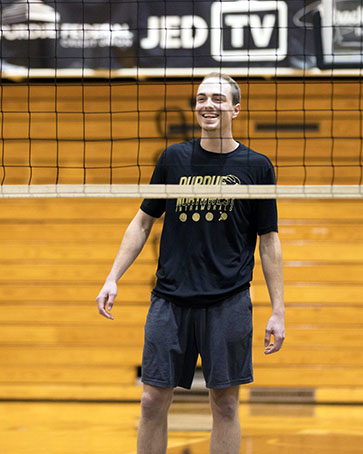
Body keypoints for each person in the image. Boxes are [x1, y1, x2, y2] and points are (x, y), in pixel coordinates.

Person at [96, 73, 285, 454]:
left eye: (217, 98)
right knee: (151, 401)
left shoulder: (257, 166)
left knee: (226, 404)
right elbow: (143, 220)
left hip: (228, 300)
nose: (207, 104)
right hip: (170, 300)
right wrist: (112, 276)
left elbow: (269, 242)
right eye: (200, 98)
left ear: (235, 107)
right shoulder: (173, 158)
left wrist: (278, 310)